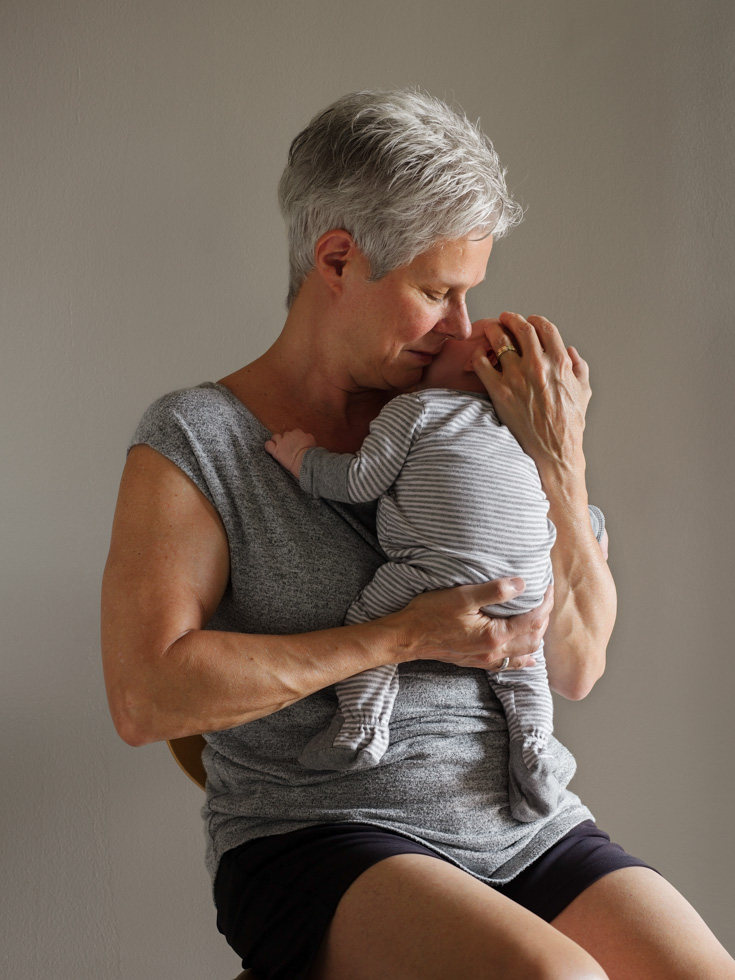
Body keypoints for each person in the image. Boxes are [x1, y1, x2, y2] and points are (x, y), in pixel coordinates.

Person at [101, 89, 735, 980]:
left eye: (469, 292)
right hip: (318, 832)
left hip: (521, 823)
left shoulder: (484, 427)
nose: (463, 328)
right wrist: (397, 634)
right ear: (336, 261)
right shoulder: (202, 440)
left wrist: (560, 463)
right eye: (436, 291)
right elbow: (146, 698)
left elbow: (576, 666)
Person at [265, 322, 606, 825]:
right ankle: (534, 749)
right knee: (523, 662)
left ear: (482, 362)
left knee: (368, 618)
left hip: (433, 572)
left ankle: (361, 722)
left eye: (464, 336)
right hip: (527, 585)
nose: (457, 326)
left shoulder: (412, 409)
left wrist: (304, 460)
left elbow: (360, 480)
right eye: (436, 293)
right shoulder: (519, 441)